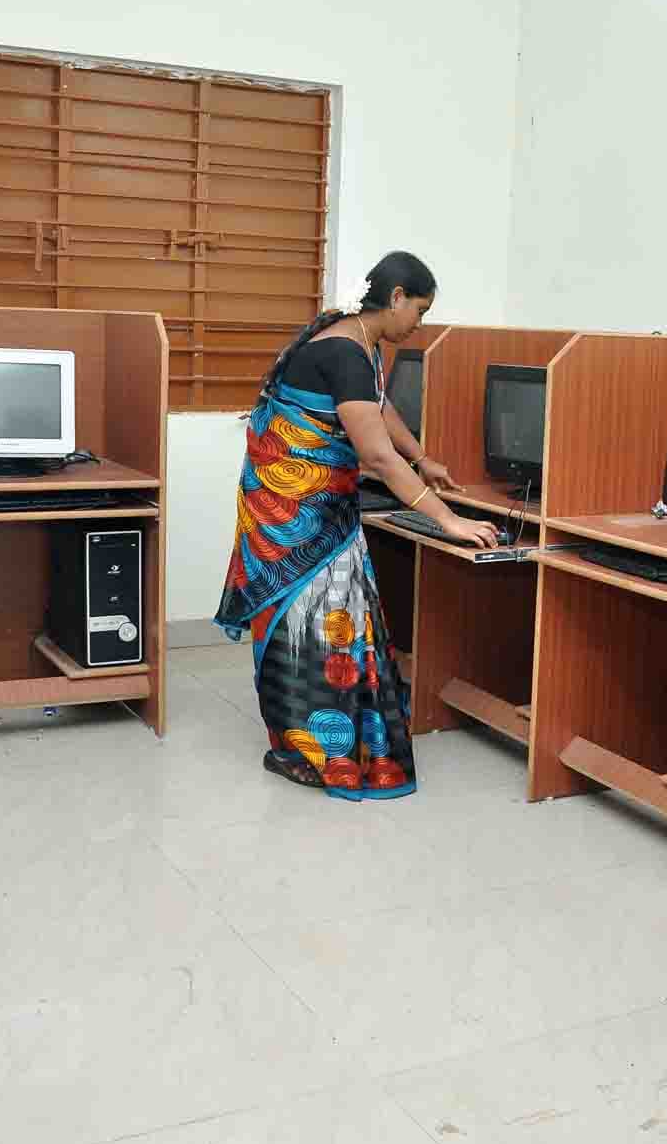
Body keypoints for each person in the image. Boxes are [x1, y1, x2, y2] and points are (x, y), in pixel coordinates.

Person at [213, 252, 500, 799]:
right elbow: (375, 455)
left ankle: (327, 740)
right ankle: (296, 750)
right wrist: (449, 521)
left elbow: (378, 407)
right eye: (419, 311)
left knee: (331, 627)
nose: (419, 324)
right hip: (292, 510)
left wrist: (422, 458)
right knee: (303, 630)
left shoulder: (360, 341)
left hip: (320, 500)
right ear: (396, 298)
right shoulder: (344, 350)